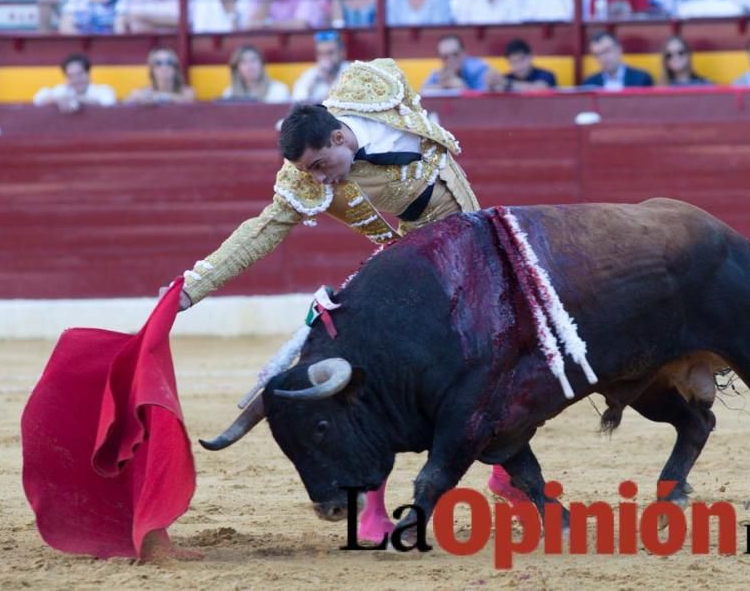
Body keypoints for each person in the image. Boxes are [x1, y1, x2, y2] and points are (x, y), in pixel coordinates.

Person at [163, 59, 529, 544]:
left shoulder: (372, 88)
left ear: (338, 138)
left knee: (516, 351)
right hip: (417, 271)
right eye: (306, 172)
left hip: (474, 247)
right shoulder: (304, 181)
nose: (319, 180)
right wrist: (191, 288)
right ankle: (373, 507)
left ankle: (508, 469)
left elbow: (390, 68)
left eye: (319, 166)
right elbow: (259, 233)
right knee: (381, 384)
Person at [34, 53, 117, 112]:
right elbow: (38, 99)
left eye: (79, 74)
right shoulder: (62, 90)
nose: (76, 80)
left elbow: (107, 104)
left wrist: (75, 99)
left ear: (88, 74)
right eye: (71, 76)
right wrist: (57, 99)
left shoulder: (103, 90)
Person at [292, 31, 350, 102]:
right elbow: (297, 101)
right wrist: (312, 83)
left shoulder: (352, 72)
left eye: (330, 53)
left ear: (342, 53)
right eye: (321, 53)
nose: (325, 58)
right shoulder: (310, 74)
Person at [583, 31, 654, 89]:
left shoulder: (641, 78)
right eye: (598, 54)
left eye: (607, 51)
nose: (603, 57)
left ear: (619, 49)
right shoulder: (589, 84)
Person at [126, 47, 196, 105]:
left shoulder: (187, 92)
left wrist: (160, 97)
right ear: (152, 70)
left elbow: (186, 101)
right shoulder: (140, 93)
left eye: (169, 62)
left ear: (175, 68)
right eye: (158, 63)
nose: (164, 67)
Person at [221, 44, 292, 102]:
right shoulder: (229, 93)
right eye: (243, 62)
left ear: (262, 64)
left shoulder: (279, 90)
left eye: (253, 60)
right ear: (236, 69)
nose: (250, 66)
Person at [421, 34, 490, 92]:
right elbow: (423, 91)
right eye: (445, 57)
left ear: (464, 53)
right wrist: (443, 86)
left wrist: (463, 88)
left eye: (455, 54)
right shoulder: (440, 74)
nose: (451, 59)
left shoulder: (478, 69)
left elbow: (485, 98)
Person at [486, 38, 558, 91]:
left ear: (530, 57)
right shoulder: (506, 78)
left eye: (521, 60)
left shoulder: (546, 75)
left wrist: (506, 83)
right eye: (513, 62)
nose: (518, 66)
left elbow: (540, 89)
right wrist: (491, 85)